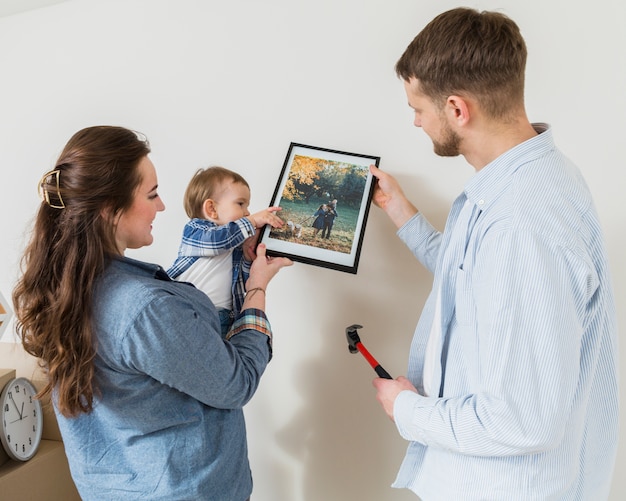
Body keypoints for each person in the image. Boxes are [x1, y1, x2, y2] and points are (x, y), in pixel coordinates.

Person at [369, 8, 618, 500]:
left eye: (419, 107)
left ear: (458, 109)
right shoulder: (529, 179)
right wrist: (404, 215)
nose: (415, 121)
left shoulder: (522, 222)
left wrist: (407, 410)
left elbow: (523, 421)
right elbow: (479, 282)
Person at [11, 126, 292, 501]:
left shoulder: (60, 288)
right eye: (152, 194)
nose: (162, 206)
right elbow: (237, 382)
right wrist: (257, 287)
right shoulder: (146, 308)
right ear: (111, 210)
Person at [168, 166, 284, 337]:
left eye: (247, 206)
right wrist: (251, 222)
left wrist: (247, 256)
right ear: (211, 210)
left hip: (223, 319)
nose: (247, 212)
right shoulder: (195, 231)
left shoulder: (234, 245)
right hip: (188, 311)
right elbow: (218, 241)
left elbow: (242, 283)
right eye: (240, 203)